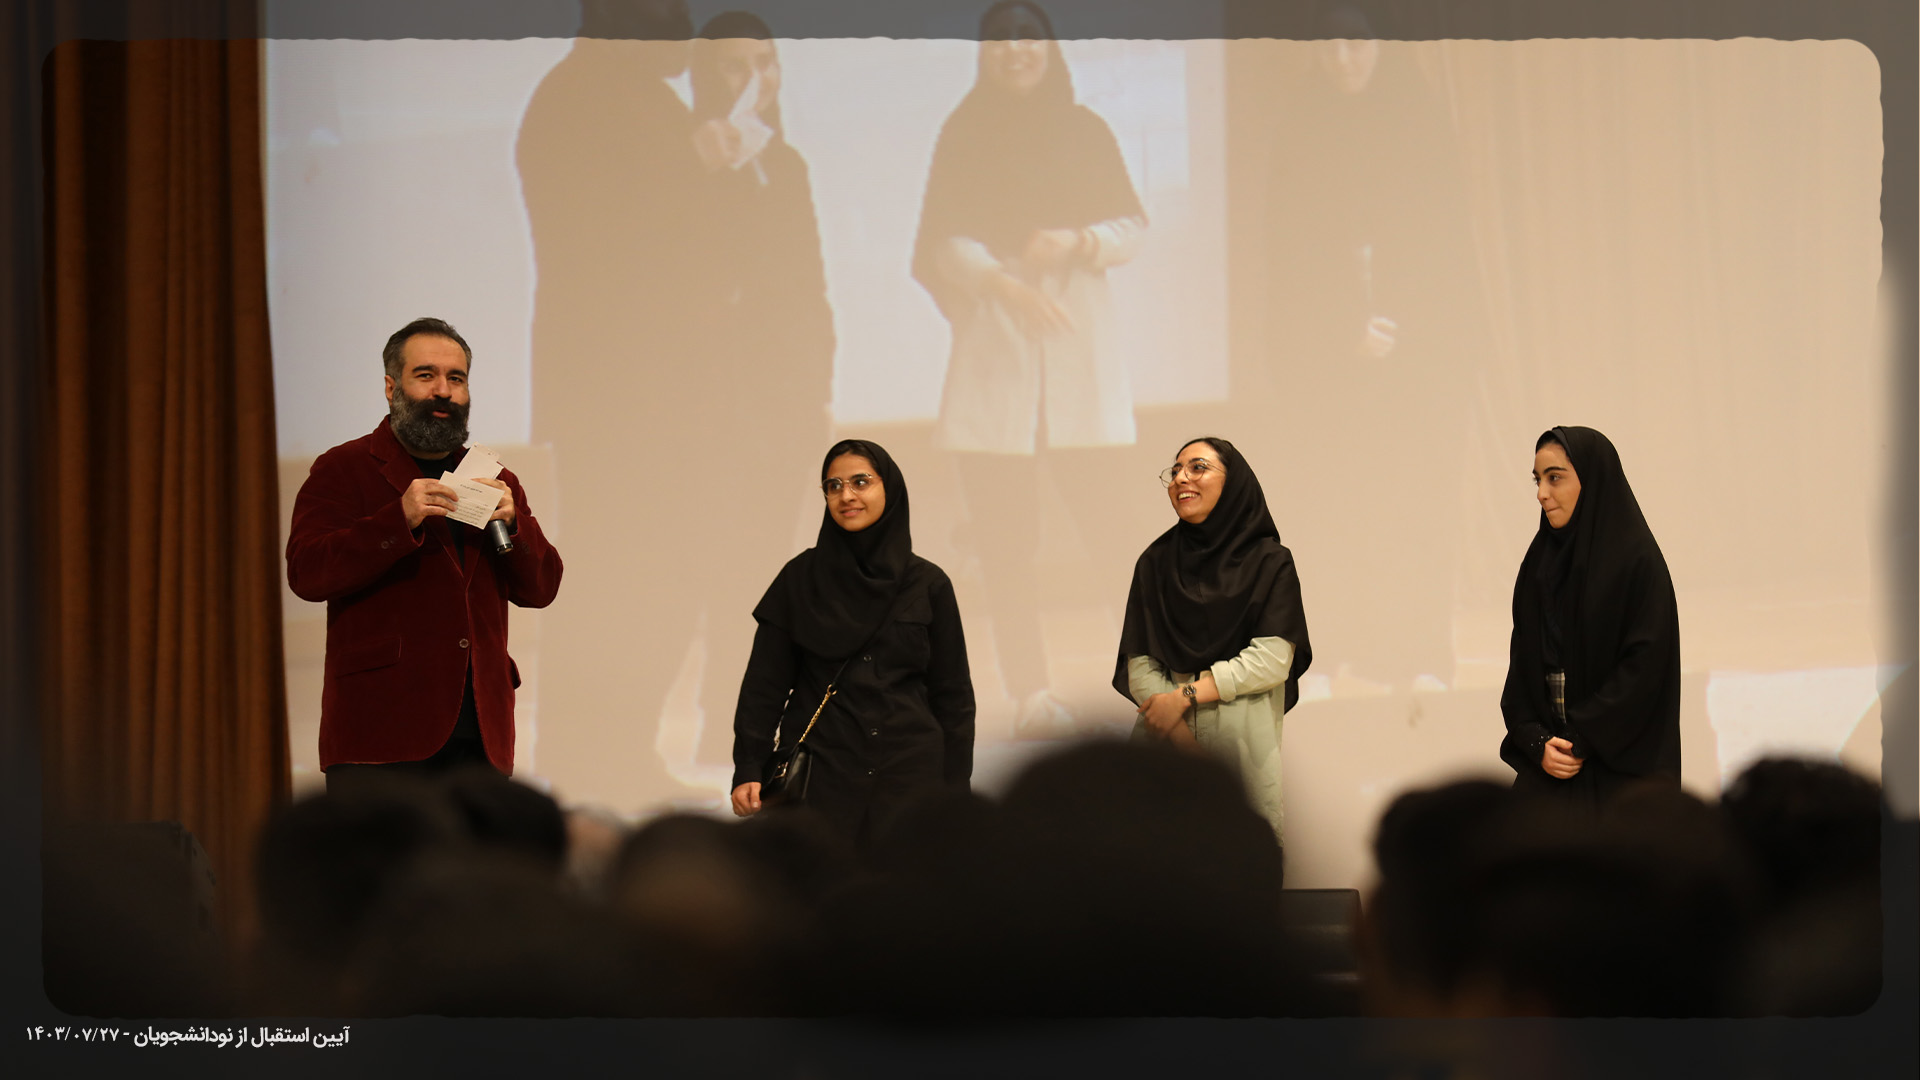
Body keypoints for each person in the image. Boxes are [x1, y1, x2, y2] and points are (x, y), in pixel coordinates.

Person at [911, 0, 1147, 734]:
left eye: (1028, 38)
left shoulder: (1086, 129)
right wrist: (1002, 282)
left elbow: (1132, 227)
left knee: (1115, 535)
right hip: (998, 357)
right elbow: (941, 240)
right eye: (1000, 40)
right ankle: (1028, 694)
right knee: (1006, 547)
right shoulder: (964, 131)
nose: (1016, 51)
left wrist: (1074, 241)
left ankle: (1149, 681)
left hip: (1078, 361)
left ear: (1048, 47)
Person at [514, 0, 728, 801]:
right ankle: (587, 756)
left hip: (657, 386)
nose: (688, 29)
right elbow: (604, 243)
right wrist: (693, 169)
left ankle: (616, 748)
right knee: (620, 570)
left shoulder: (632, 95)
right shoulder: (578, 100)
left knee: (657, 568)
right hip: (621, 390)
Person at [1252, 1, 1490, 690]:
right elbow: (1287, 250)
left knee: (1420, 501)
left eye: (1355, 46)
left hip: (1423, 353)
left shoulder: (1420, 118)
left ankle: (1421, 654)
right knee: (1343, 502)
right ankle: (1350, 648)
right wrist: (1342, 327)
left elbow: (1444, 240)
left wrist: (1400, 321)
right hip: (1331, 360)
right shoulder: (1300, 125)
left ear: (1381, 44)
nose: (1342, 60)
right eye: (1328, 47)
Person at [286, 318, 564, 788]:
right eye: (425, 375)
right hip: (381, 732)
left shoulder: (495, 478)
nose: (443, 391)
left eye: (456, 378)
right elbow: (307, 573)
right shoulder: (343, 468)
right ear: (391, 388)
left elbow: (541, 588)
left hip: (481, 734)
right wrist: (397, 520)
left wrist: (517, 526)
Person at [681, 12, 839, 766]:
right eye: (736, 68)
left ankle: (756, 722)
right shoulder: (685, 159)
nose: (756, 82)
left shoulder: (787, 162)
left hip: (784, 398)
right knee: (717, 561)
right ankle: (718, 718)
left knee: (770, 564)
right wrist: (708, 173)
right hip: (712, 401)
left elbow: (809, 287)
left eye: (766, 64)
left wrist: (817, 387)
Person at [730, 440, 975, 849]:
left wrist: (956, 789)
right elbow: (763, 686)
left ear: (888, 488)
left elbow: (953, 696)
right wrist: (749, 766)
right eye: (833, 486)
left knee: (906, 885)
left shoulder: (927, 584)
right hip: (820, 777)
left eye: (861, 482)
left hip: (910, 777)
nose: (846, 495)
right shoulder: (798, 579)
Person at [1114, 437, 1312, 845]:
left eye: (1197, 467)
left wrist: (1183, 696)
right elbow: (1141, 665)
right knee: (1154, 867)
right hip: (1164, 749)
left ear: (1233, 481)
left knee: (1242, 864)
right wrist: (1184, 742)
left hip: (1241, 749)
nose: (1180, 479)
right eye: (1175, 471)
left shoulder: (1270, 562)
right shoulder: (1154, 561)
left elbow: (1273, 659)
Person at [1499, 426, 1680, 810]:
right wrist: (1536, 740)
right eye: (1537, 480)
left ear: (1592, 480)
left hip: (1622, 774)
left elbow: (1644, 668)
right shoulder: (1538, 564)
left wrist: (1581, 737)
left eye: (1555, 478)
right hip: (1550, 767)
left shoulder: (1636, 562)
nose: (1541, 493)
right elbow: (1522, 666)